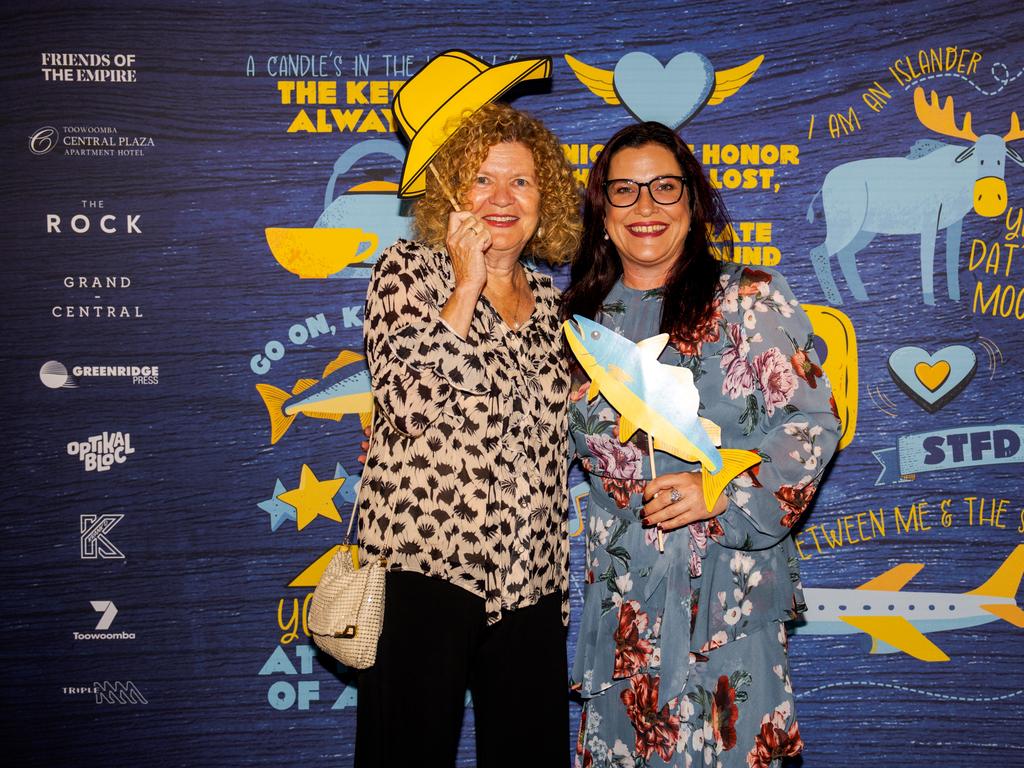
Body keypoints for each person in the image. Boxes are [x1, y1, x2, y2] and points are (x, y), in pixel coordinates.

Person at [562, 121, 841, 767]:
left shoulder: (748, 295)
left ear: (694, 202)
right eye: (624, 191)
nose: (646, 206)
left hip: (728, 593)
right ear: (602, 212)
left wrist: (721, 488)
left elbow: (812, 423)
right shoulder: (574, 326)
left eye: (665, 187)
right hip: (624, 602)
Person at [355, 102, 581, 767]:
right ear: (453, 193)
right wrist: (466, 287)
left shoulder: (555, 310)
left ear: (547, 201)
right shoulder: (406, 272)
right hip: (424, 569)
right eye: (483, 179)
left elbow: (566, 440)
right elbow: (405, 404)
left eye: (523, 182)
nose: (503, 198)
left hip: (530, 582)